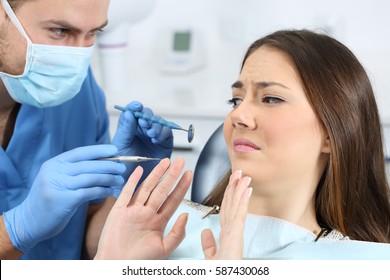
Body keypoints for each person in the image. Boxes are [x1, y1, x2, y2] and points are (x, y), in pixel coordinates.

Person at [94, 29, 390, 260]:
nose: (238, 115)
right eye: (236, 99)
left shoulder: (366, 262)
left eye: (271, 98)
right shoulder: (160, 227)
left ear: (331, 133)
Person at [0, 0, 173, 260]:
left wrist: (128, 188)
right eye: (60, 31)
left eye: (93, 33)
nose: (76, 56)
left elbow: (91, 237)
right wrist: (15, 231)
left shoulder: (76, 89)